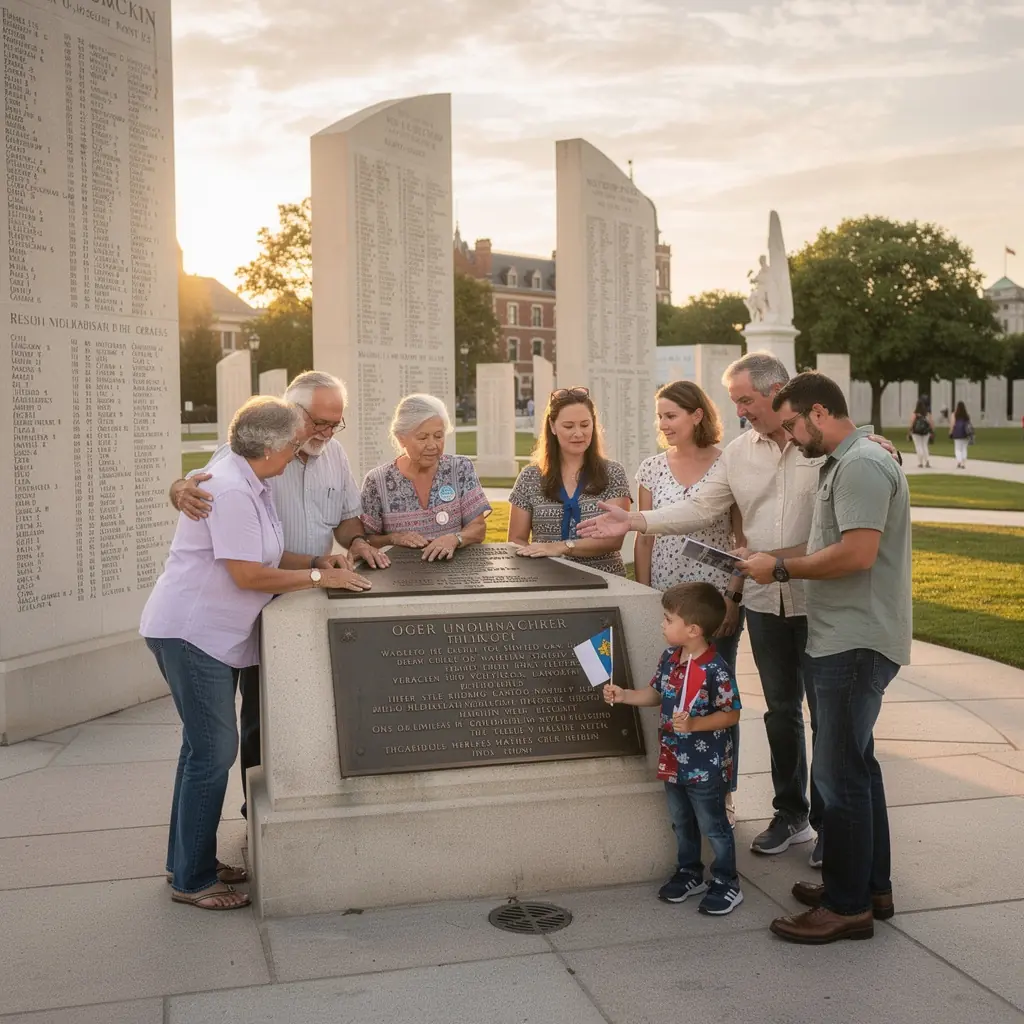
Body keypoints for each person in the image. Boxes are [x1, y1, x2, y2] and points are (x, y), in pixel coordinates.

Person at [578, 352, 901, 867]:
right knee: (780, 713)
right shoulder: (738, 453)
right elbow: (700, 507)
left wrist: (874, 441)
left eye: (746, 400)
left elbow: (858, 495)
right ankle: (791, 814)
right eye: (736, 402)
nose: (741, 411)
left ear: (778, 394)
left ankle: (832, 829)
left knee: (832, 723)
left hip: (821, 602)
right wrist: (635, 522)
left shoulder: (823, 445)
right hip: (764, 602)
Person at [141, 398, 366, 910]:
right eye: (290, 446)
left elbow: (262, 554)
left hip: (206, 635)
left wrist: (314, 558)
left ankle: (187, 858)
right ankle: (194, 881)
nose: (293, 455)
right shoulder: (231, 488)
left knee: (200, 751)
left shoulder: (248, 479)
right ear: (268, 446)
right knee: (214, 752)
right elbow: (247, 574)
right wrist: (318, 577)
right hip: (192, 634)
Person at [739, 372, 910, 943]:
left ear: (818, 412)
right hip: (846, 637)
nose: (788, 437)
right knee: (858, 769)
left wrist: (782, 569)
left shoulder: (859, 463)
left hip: (854, 642)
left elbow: (857, 554)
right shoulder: (844, 460)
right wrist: (765, 558)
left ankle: (846, 906)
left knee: (839, 778)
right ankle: (868, 886)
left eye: (791, 424)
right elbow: (823, 547)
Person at [168, 371, 385, 818]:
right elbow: (199, 487)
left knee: (295, 709)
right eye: (319, 422)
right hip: (249, 601)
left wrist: (358, 542)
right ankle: (256, 813)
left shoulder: (334, 454)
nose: (326, 433)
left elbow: (345, 520)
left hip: (307, 592)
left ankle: (291, 802)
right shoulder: (247, 452)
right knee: (244, 723)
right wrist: (176, 489)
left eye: (334, 424)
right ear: (292, 412)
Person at [634, 380, 747, 825]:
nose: (663, 425)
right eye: (659, 416)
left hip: (714, 603)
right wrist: (646, 598)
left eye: (671, 416)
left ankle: (723, 791)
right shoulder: (650, 469)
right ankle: (678, 784)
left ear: (697, 415)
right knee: (673, 696)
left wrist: (734, 598)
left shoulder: (728, 464)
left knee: (718, 704)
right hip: (669, 602)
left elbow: (741, 540)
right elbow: (644, 538)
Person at [603, 582, 743, 916]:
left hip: (705, 766)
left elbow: (731, 713)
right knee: (681, 820)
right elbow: (656, 695)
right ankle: (689, 871)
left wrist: (694, 725)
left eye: (668, 620)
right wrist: (624, 696)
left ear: (693, 629)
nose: (663, 625)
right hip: (672, 761)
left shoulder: (715, 668)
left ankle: (726, 882)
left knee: (714, 824)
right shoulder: (670, 658)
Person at [507, 387, 631, 576]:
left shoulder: (613, 472)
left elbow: (614, 540)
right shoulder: (529, 477)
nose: (578, 433)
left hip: (606, 582)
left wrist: (562, 547)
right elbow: (516, 540)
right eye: (569, 426)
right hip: (547, 580)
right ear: (552, 426)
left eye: (584, 425)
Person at [361, 393, 490, 559]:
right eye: (422, 437)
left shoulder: (460, 468)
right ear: (401, 439)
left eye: (438, 436)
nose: (432, 445)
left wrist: (456, 539)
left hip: (454, 576)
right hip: (401, 579)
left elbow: (478, 528)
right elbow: (366, 540)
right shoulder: (377, 481)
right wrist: (394, 538)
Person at [908, 398, 933, 468]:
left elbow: (911, 423)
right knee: (925, 446)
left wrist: (909, 431)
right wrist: (931, 431)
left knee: (918, 446)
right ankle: (927, 460)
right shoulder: (927, 414)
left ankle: (920, 462)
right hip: (925, 432)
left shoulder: (915, 414)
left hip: (916, 432)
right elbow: (931, 423)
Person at [950, 401, 973, 469]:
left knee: (957, 448)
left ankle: (959, 462)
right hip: (965, 433)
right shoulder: (966, 415)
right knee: (964, 448)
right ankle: (963, 463)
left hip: (957, 433)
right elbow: (969, 424)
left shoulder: (954, 414)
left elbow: (952, 424)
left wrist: (951, 432)